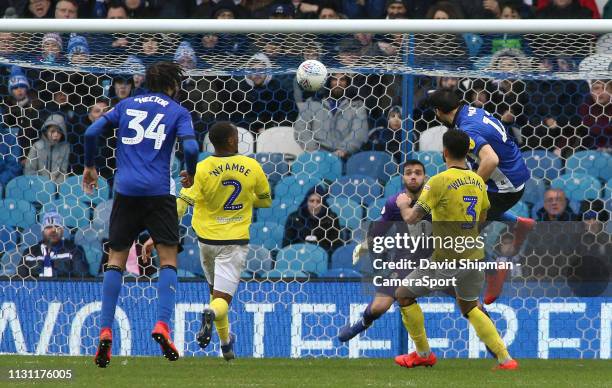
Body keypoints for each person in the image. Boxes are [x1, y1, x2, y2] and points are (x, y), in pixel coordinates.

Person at [83, 61, 199, 368]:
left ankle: (105, 330)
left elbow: (92, 131)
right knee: (169, 259)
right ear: (173, 85)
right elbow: (191, 147)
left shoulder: (126, 104)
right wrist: (190, 172)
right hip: (159, 193)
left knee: (116, 260)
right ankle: (162, 324)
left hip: (126, 192)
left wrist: (90, 166)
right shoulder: (177, 111)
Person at [145, 121, 272, 361]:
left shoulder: (201, 168)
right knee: (221, 301)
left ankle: (226, 345)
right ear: (233, 141)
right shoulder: (251, 166)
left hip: (206, 242)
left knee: (216, 292)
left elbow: (182, 204)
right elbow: (265, 201)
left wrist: (157, 235)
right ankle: (210, 313)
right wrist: (247, 198)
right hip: (233, 242)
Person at [393, 129, 518, 371]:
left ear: (445, 152)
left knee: (403, 294)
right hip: (473, 256)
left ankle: (423, 354)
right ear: (468, 152)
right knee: (470, 306)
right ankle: (505, 359)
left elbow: (411, 218)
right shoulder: (478, 182)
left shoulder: (438, 181)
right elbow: (482, 217)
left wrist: (402, 205)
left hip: (446, 258)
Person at [428, 88, 535, 304]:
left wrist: (472, 187)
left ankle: (494, 272)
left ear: (438, 112)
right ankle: (518, 222)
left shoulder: (466, 129)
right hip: (514, 173)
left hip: (505, 187)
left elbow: (491, 160)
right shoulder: (471, 112)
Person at [294, 73, 369, 159]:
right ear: (328, 81)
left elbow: (360, 133)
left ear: (348, 82)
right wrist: (313, 151)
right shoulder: (312, 103)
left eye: (342, 79)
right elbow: (301, 128)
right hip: (314, 157)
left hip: (345, 157)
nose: (338, 83)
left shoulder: (357, 106)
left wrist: (343, 150)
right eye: (334, 79)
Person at [18, 211, 89, 279]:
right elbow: (19, 281)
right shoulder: (29, 253)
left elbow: (83, 280)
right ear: (42, 231)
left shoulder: (74, 250)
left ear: (62, 230)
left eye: (57, 227)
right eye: (48, 227)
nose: (53, 230)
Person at [282, 185, 343, 256]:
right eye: (311, 201)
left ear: (323, 203)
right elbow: (286, 246)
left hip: (321, 257)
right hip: (297, 256)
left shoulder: (331, 218)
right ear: (306, 202)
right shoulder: (293, 218)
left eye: (318, 201)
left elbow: (335, 246)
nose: (314, 205)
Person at [24, 113, 70, 183]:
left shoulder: (65, 147)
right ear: (46, 131)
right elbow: (29, 170)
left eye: (59, 132)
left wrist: (55, 186)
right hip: (38, 185)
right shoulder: (37, 146)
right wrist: (42, 182)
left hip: (58, 186)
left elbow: (63, 170)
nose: (55, 135)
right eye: (52, 131)